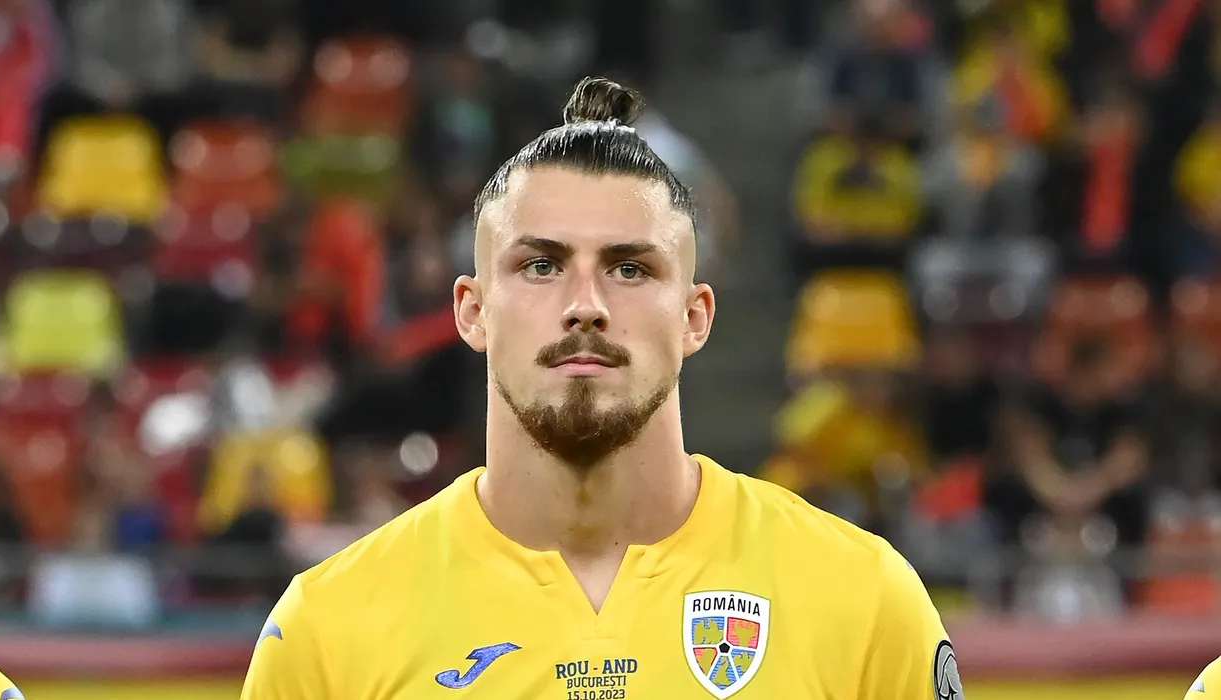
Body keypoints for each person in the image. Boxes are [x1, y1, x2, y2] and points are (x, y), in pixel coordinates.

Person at [240, 77, 963, 699]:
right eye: (541, 266)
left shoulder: (864, 603)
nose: (585, 304)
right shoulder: (325, 634)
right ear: (472, 311)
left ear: (694, 317)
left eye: (629, 269)